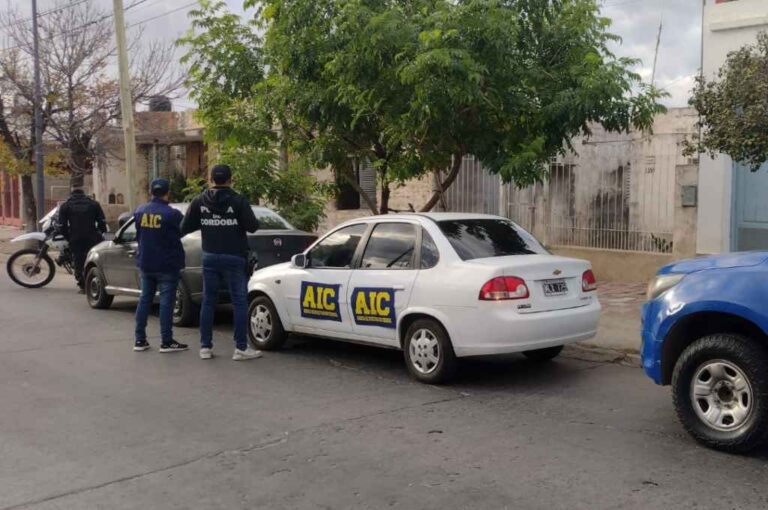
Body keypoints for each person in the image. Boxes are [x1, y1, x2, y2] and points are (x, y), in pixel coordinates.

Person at [181, 165, 262, 361]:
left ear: (211, 180)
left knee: (208, 301)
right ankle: (241, 348)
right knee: (239, 302)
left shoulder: (200, 200)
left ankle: (205, 347)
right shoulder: (238, 200)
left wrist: (207, 220)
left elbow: (184, 227)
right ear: (230, 179)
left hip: (210, 256)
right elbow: (253, 227)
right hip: (234, 257)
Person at [132, 178, 188, 353]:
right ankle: (166, 341)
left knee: (144, 300)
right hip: (167, 264)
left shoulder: (140, 211)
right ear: (167, 193)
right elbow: (183, 230)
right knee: (166, 302)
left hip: (146, 263)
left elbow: (139, 234)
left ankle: (139, 339)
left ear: (151, 192)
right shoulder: (172, 214)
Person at [57, 186, 107, 293]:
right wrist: (100, 233)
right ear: (84, 194)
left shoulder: (66, 206)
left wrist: (68, 237)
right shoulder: (94, 204)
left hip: (75, 237)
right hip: (92, 236)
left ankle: (83, 285)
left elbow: (62, 226)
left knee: (78, 260)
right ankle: (95, 282)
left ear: (72, 194)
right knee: (93, 260)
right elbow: (102, 222)